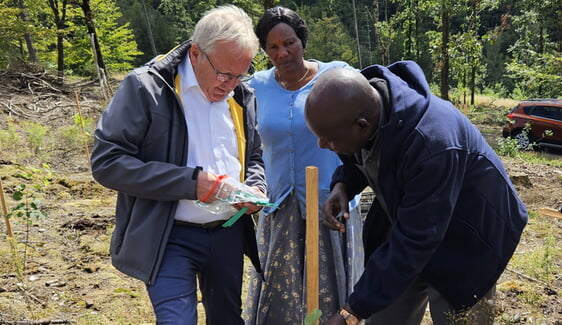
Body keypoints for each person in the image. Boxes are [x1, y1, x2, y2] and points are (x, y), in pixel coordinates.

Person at [304, 65, 528, 325]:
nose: (323, 145)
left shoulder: (433, 144)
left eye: (329, 140)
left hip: (469, 239)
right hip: (414, 224)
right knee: (385, 315)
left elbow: (414, 241)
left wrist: (350, 312)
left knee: (458, 317)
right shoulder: (371, 109)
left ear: (362, 125)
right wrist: (343, 185)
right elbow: (361, 153)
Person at [90, 5, 267, 324]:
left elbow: (254, 155)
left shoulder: (242, 95)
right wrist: (191, 183)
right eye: (224, 74)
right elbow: (107, 162)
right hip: (169, 235)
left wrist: (255, 187)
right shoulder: (147, 88)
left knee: (228, 319)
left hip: (228, 232)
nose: (230, 84)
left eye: (240, 74)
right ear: (197, 53)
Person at [243, 7, 364, 325]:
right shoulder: (255, 86)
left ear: (303, 41)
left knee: (329, 296)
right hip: (279, 205)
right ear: (264, 50)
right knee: (281, 294)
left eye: (290, 42)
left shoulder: (336, 77)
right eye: (273, 47)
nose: (283, 53)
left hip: (330, 204)